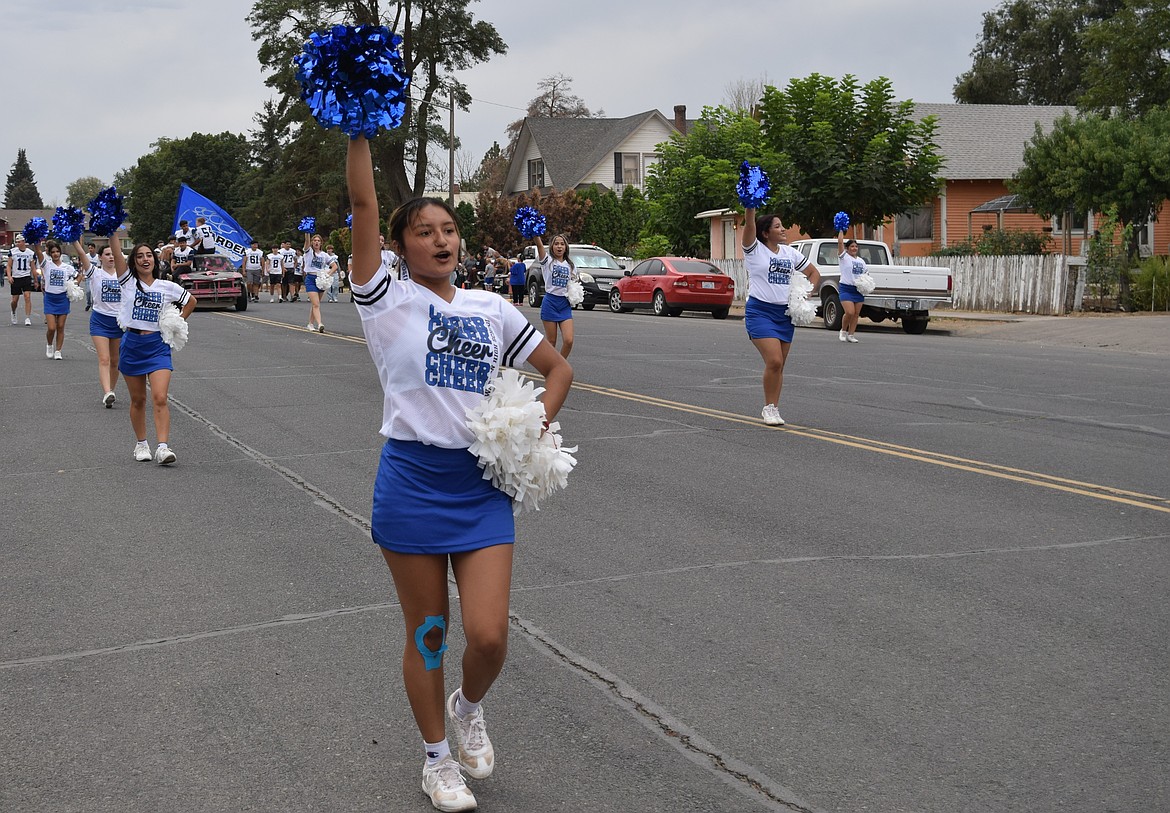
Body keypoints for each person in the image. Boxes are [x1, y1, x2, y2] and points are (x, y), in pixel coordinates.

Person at [346, 134, 572, 813]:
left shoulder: (492, 309)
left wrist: (533, 427)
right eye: (425, 231)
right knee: (430, 633)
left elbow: (558, 371)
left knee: (490, 635)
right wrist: (358, 126)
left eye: (449, 229)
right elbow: (361, 200)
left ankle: (468, 705)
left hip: (480, 487)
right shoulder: (384, 300)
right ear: (401, 244)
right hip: (411, 484)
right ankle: (437, 759)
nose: (441, 240)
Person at [111, 232, 197, 465]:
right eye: (139, 256)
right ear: (134, 262)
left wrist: (177, 322)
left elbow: (191, 301)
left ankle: (163, 447)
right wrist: (112, 230)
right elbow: (117, 252)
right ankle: (141, 444)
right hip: (132, 345)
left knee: (160, 397)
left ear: (155, 261)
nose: (145, 259)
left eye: (149, 255)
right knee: (138, 399)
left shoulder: (166, 286)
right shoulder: (127, 282)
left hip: (157, 346)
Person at [740, 207, 820, 426]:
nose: (783, 229)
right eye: (777, 226)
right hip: (760, 312)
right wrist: (750, 206)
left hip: (784, 314)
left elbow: (814, 273)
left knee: (779, 365)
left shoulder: (790, 253)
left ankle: (774, 408)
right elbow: (749, 226)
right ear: (766, 232)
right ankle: (768, 408)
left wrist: (803, 295)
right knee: (774, 360)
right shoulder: (754, 250)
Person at [75, 239, 124, 406]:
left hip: (119, 322)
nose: (111, 257)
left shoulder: (123, 274)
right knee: (104, 358)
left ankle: (111, 390)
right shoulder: (94, 272)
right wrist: (74, 239)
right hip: (100, 321)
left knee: (115, 361)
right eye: (107, 254)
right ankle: (107, 391)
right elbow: (81, 254)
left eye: (113, 254)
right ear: (100, 257)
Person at [32, 240, 77, 359]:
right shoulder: (46, 265)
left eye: (57, 251)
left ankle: (58, 351)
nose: (56, 254)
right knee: (51, 327)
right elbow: (37, 251)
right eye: (53, 252)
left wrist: (73, 287)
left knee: (61, 326)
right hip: (50, 299)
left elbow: (78, 276)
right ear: (50, 254)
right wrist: (36, 239)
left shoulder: (67, 267)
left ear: (60, 253)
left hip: (63, 299)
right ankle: (49, 344)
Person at [534, 233, 576, 359]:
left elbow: (573, 285)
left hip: (564, 304)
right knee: (551, 342)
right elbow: (539, 246)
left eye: (562, 244)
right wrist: (535, 232)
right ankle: (550, 368)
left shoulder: (571, 266)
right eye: (556, 244)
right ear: (552, 247)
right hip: (550, 302)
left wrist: (575, 295)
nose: (559, 247)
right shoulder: (547, 261)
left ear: (566, 247)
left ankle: (559, 364)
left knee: (568, 340)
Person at [837, 232, 867, 343]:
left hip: (857, 290)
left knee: (856, 314)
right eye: (852, 246)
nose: (854, 248)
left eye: (856, 246)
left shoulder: (861, 261)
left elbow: (865, 275)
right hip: (846, 288)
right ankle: (843, 331)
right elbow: (840, 242)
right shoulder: (844, 257)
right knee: (849, 312)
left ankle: (851, 335)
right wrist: (841, 230)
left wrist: (865, 284)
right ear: (847, 248)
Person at [301, 232, 330, 332]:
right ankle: (320, 324)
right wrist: (307, 232)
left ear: (321, 243)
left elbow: (334, 265)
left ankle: (310, 323)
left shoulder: (324, 255)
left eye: (318, 241)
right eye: (315, 240)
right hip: (310, 279)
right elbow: (306, 242)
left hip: (321, 280)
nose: (316, 242)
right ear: (312, 242)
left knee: (315, 304)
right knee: (316, 304)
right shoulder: (308, 252)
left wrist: (327, 274)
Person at [7, 233, 38, 326]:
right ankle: (13, 312)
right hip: (16, 277)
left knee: (27, 296)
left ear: (24, 242)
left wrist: (36, 280)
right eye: (16, 242)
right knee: (14, 300)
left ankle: (27, 317)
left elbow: (33, 268)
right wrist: (9, 276)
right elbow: (9, 265)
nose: (17, 243)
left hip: (26, 277)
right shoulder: (13, 252)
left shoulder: (30, 253)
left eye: (19, 241)